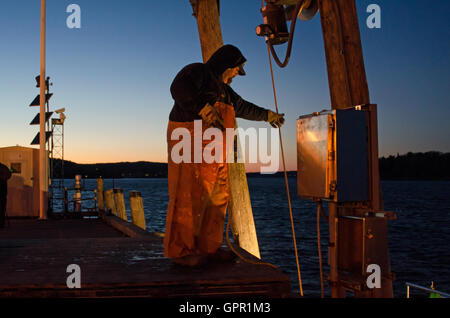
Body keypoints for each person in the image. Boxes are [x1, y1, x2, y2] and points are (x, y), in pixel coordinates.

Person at [164, 44, 285, 266]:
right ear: (227, 65)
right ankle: (180, 252)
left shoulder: (226, 92)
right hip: (188, 139)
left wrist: (268, 115)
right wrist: (203, 108)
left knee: (216, 196)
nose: (237, 74)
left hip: (214, 151)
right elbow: (178, 86)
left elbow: (244, 107)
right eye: (237, 69)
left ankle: (208, 249)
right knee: (186, 194)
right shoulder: (198, 71)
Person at [0, 163, 12, 228]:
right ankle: (1, 223)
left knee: (2, 209)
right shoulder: (4, 167)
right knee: (2, 209)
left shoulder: (3, 168)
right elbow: (9, 175)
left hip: (2, 192)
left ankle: (1, 223)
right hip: (3, 193)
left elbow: (9, 175)